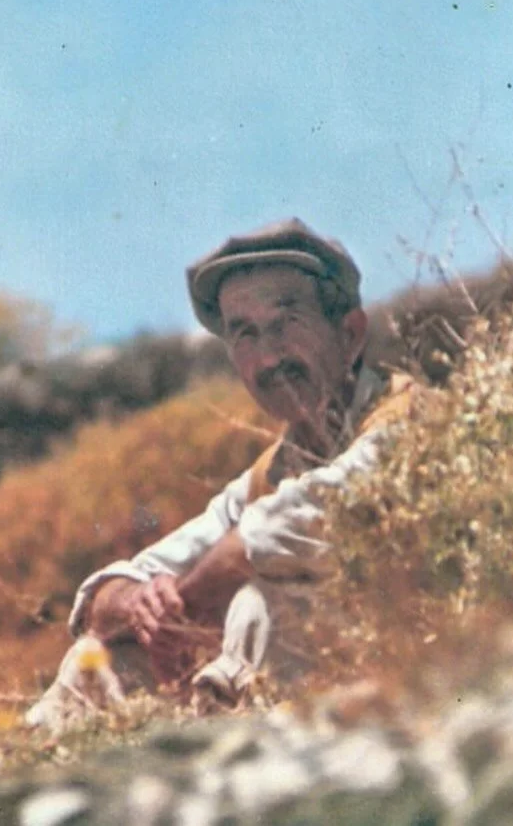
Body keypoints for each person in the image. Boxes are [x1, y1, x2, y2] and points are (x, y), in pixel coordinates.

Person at [26, 218, 418, 730]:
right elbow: (104, 597)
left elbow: (294, 522)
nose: (270, 356)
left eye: (286, 321)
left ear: (349, 334)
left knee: (263, 605)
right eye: (245, 333)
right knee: (95, 659)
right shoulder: (266, 476)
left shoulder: (413, 422)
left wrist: (182, 603)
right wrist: (141, 605)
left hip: (410, 682)